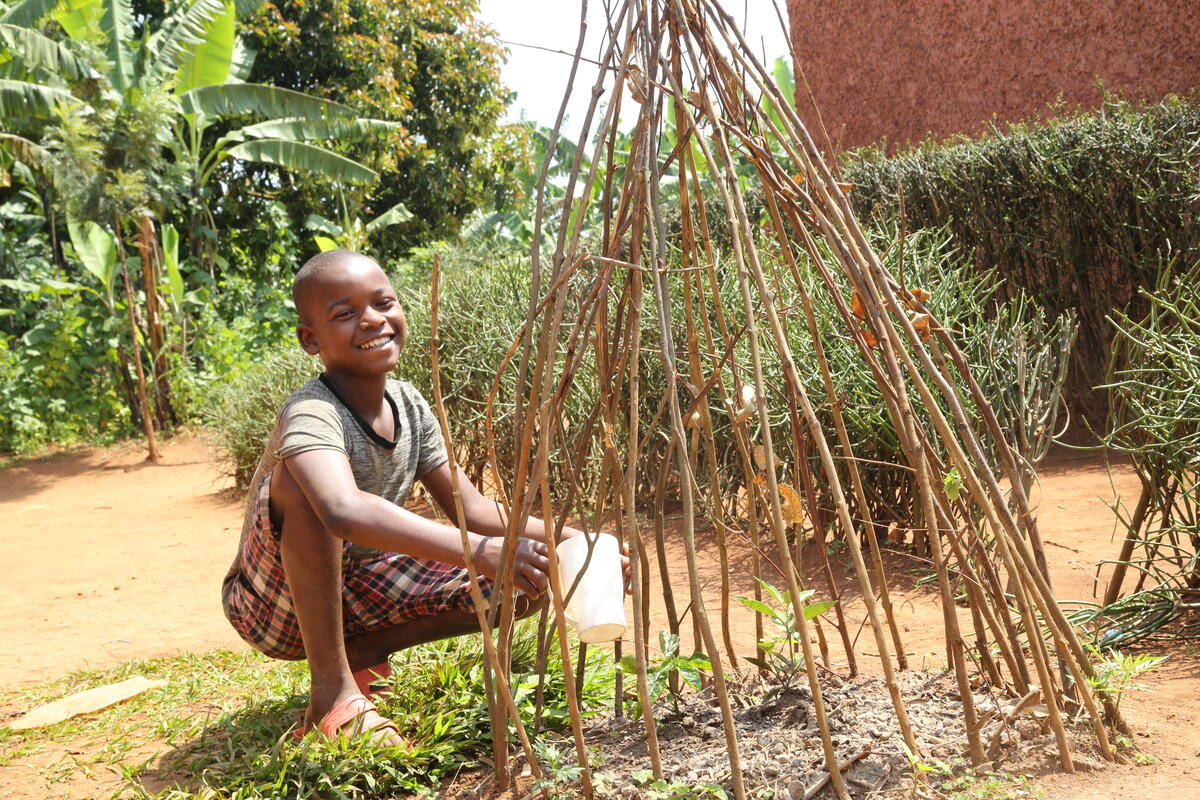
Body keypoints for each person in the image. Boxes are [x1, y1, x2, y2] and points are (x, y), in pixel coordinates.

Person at [221, 249, 605, 746]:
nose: (373, 320)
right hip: (275, 606)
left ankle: (360, 653)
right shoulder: (313, 411)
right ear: (310, 339)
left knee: (525, 577)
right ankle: (332, 693)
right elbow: (340, 509)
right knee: (303, 485)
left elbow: (474, 511)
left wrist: (580, 542)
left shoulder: (409, 403)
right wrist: (480, 552)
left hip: (361, 588)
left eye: (384, 302)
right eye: (346, 313)